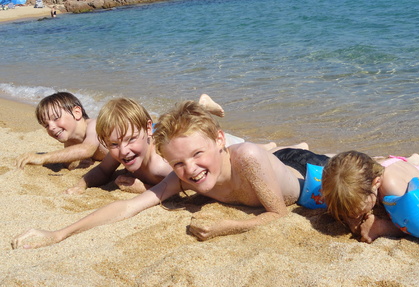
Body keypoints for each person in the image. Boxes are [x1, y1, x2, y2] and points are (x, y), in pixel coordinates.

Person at [11, 101, 310, 249]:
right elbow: (128, 207)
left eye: (196, 157)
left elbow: (279, 214)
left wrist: (226, 226)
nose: (189, 170)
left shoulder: (244, 156)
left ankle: (293, 145)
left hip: (303, 167)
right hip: (267, 163)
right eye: (178, 163)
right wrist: (58, 234)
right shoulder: (180, 173)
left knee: (276, 151)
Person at [65, 97, 277, 195]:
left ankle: (276, 146)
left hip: (211, 147)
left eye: (129, 140)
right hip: (163, 135)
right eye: (113, 144)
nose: (122, 151)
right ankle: (200, 105)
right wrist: (81, 184)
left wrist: (144, 189)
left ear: (146, 130)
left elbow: (195, 184)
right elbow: (102, 170)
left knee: (254, 151)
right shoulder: (122, 149)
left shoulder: (163, 165)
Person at [15, 92, 106, 170]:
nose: (51, 127)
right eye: (46, 125)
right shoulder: (70, 141)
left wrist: (43, 157)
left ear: (77, 113)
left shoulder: (94, 125)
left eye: (56, 118)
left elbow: (87, 149)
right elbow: (67, 158)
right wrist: (73, 164)